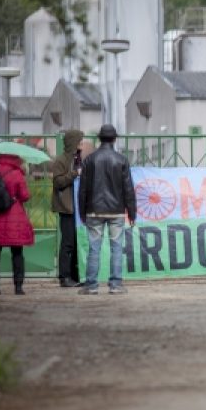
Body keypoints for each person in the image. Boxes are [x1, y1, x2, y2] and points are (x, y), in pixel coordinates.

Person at [77, 124, 137, 294]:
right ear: (114, 139)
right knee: (116, 247)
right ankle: (116, 285)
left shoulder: (89, 160)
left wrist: (82, 211)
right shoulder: (121, 160)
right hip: (116, 210)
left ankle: (91, 286)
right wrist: (132, 212)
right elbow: (128, 189)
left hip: (94, 210)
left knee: (94, 248)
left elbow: (83, 189)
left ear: (99, 138)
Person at [0, 153, 35, 295]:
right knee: (17, 252)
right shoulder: (17, 173)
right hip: (14, 218)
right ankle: (18, 287)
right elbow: (25, 196)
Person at [49, 129, 85, 287]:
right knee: (68, 243)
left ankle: (76, 276)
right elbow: (57, 182)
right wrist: (74, 174)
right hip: (67, 208)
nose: (82, 144)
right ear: (73, 142)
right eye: (80, 141)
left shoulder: (78, 158)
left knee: (78, 242)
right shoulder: (61, 160)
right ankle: (64, 277)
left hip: (78, 208)